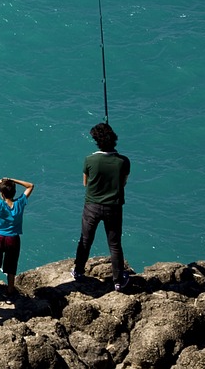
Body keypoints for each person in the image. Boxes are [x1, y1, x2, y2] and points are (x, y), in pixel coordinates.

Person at [72, 122, 131, 290]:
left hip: (92, 206)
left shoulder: (90, 159)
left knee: (85, 239)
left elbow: (85, 183)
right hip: (113, 206)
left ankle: (78, 271)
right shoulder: (123, 161)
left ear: (97, 141)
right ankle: (118, 280)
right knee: (114, 244)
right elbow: (123, 183)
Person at [0, 177, 35, 299]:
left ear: (2, 194)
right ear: (14, 192)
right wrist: (13, 180)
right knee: (11, 265)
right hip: (13, 239)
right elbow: (30, 185)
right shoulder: (20, 203)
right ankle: (10, 292)